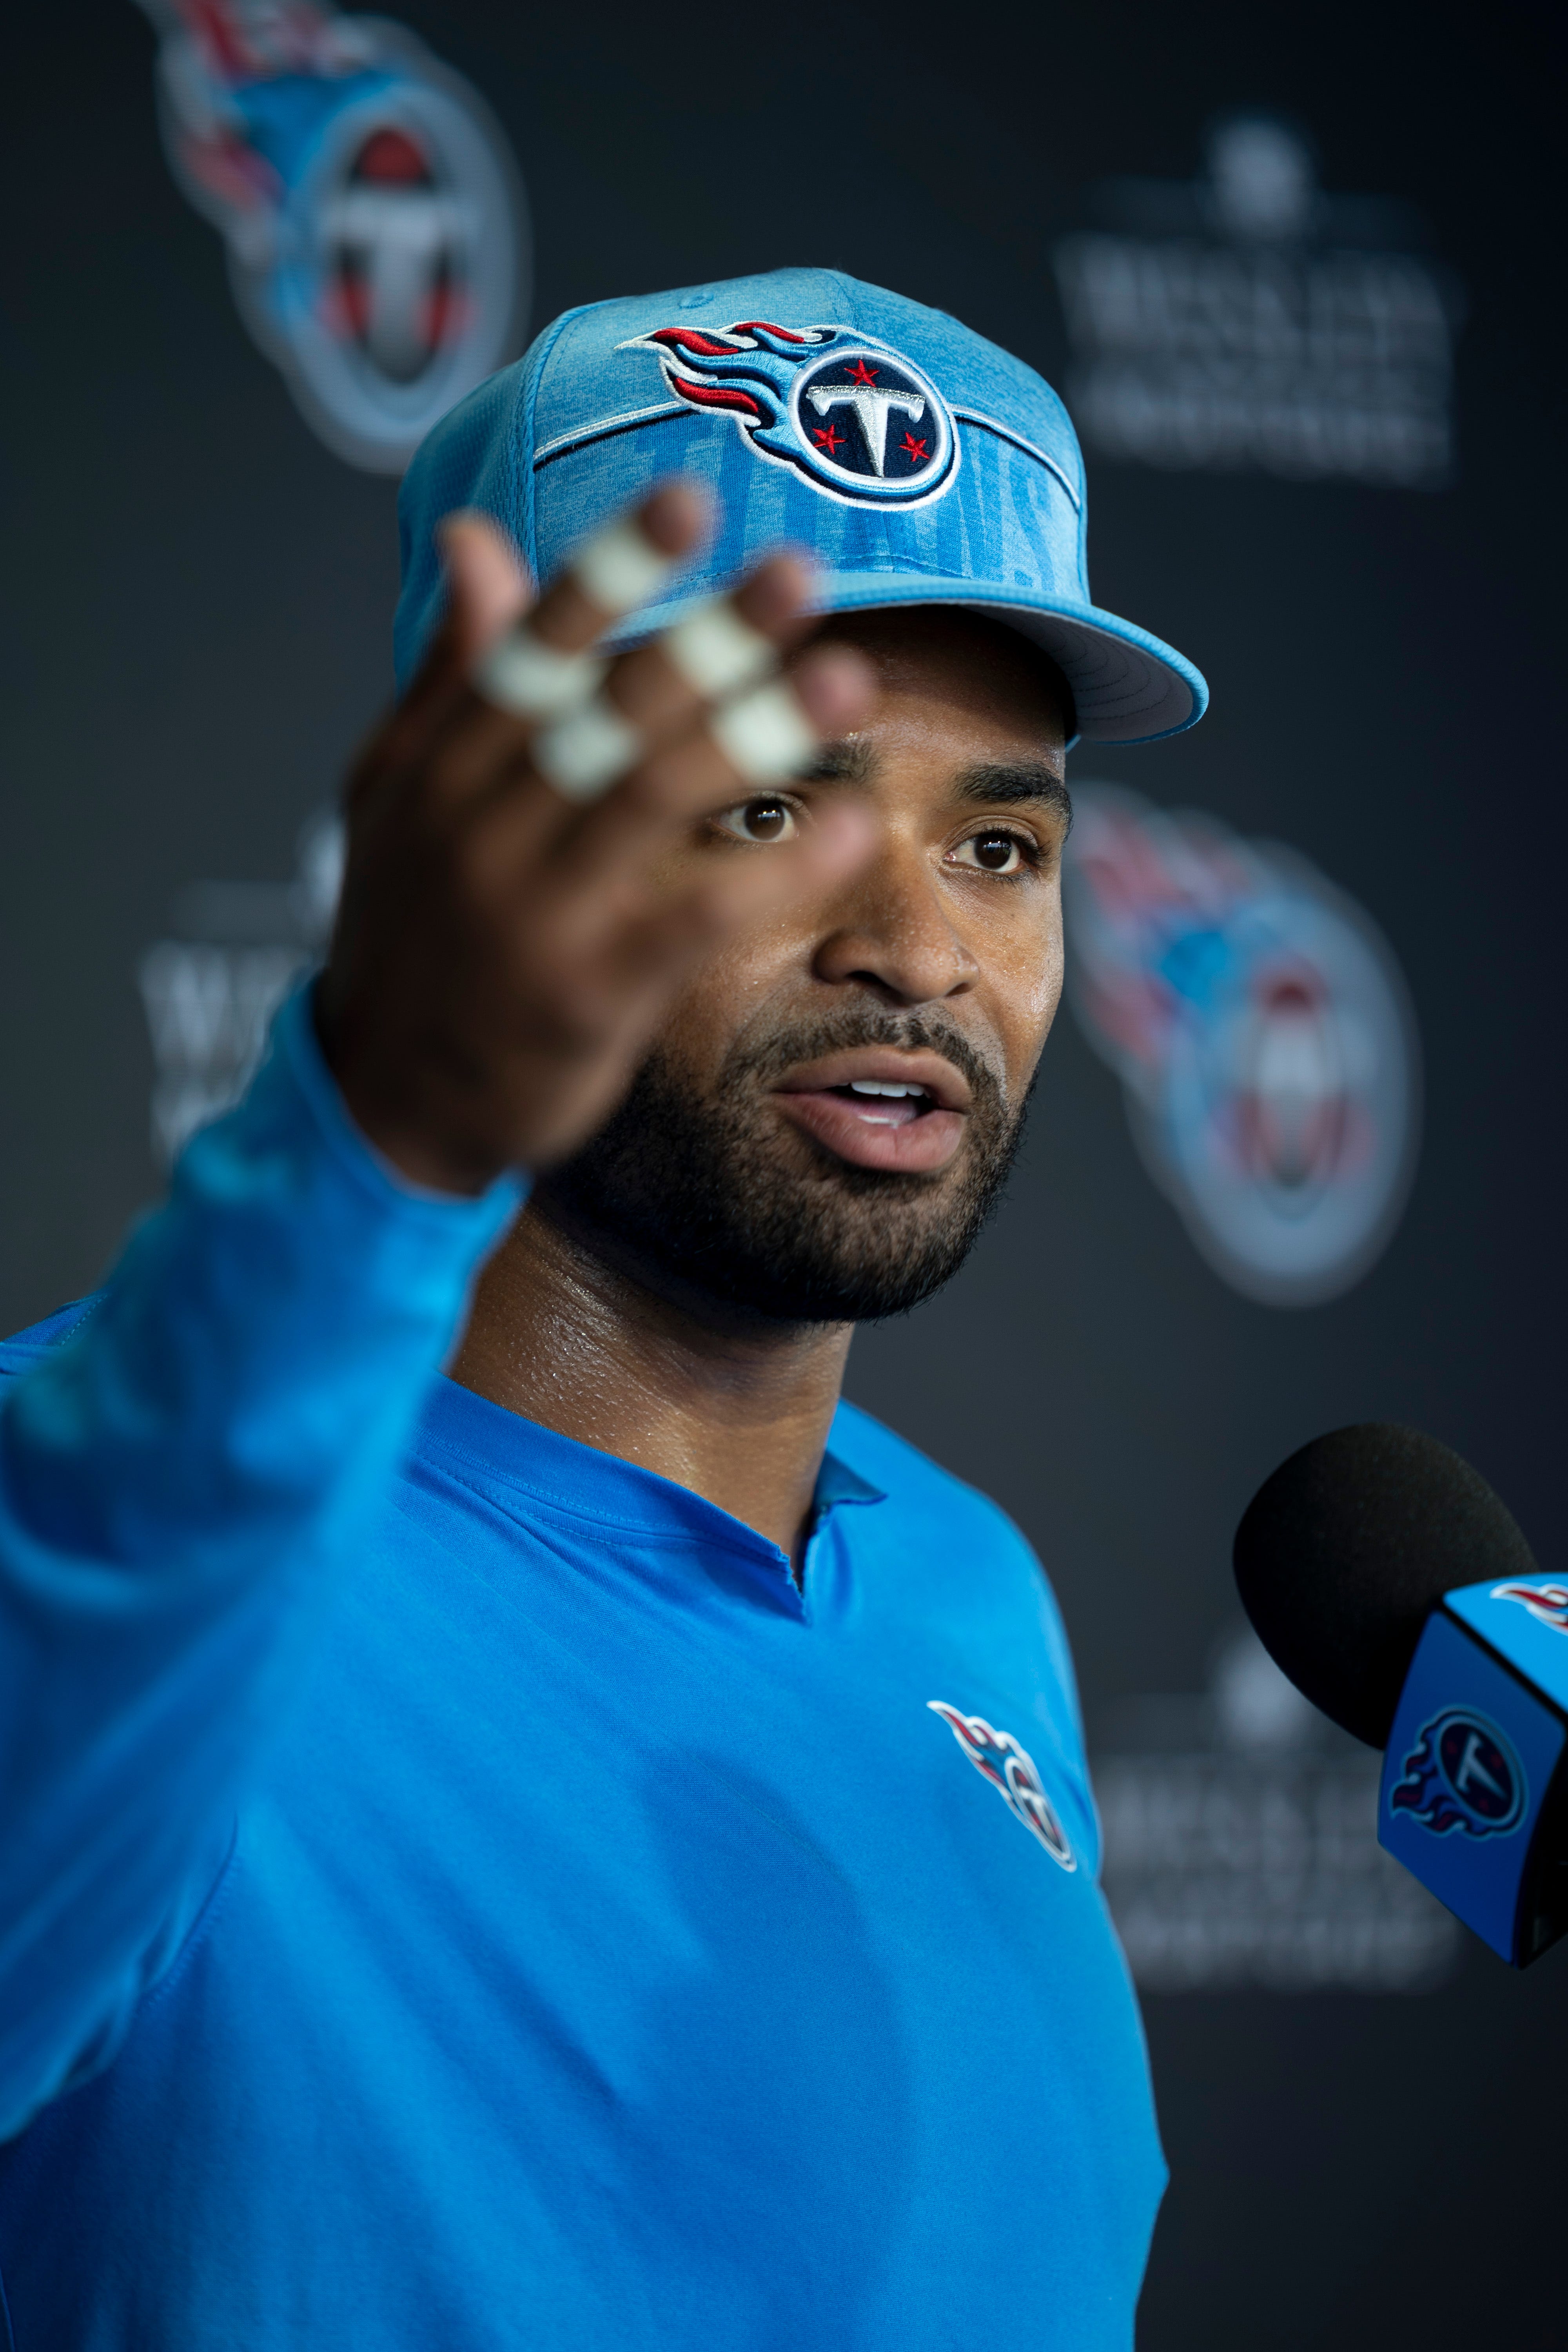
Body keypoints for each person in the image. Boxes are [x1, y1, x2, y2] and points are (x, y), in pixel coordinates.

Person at [0, 270, 1205, 2348]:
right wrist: (376, 1124)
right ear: (466, 843)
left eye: (1000, 840)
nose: (918, 945)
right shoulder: (108, 1559)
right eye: (766, 809)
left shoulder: (969, 1592)